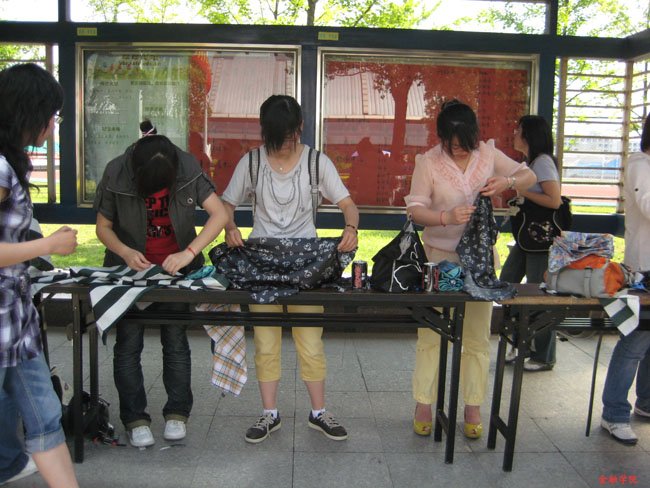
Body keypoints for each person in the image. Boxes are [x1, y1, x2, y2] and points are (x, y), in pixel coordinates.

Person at [221, 94, 359, 444]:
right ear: (265, 131)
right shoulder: (252, 162)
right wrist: (229, 227)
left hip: (306, 264)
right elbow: (226, 203)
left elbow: (347, 203)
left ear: (300, 128)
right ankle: (269, 413)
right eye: (277, 136)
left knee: (310, 340)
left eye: (290, 134)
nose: (285, 142)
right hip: (262, 262)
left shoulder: (316, 161)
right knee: (265, 340)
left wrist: (351, 227)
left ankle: (318, 412)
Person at [405, 100, 536, 439]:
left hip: (479, 261)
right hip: (440, 259)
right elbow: (415, 210)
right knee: (431, 334)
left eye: (463, 142)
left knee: (477, 337)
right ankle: (424, 403)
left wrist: (507, 182)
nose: (458, 149)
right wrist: (444, 217)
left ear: (474, 136)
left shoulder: (488, 154)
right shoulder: (429, 162)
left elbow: (530, 175)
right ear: (441, 137)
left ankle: (473, 406)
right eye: (451, 143)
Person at [94, 120, 228, 447]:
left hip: (175, 272)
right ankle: (135, 419)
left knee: (175, 340)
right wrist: (125, 252)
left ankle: (177, 413)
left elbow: (219, 215)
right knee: (128, 345)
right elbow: (103, 227)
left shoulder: (186, 167)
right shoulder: (117, 171)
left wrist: (188, 253)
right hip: (130, 272)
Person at [0, 63, 80, 488]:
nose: (54, 123)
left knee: (46, 415)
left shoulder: (13, 164)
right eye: (52, 113)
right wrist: (46, 246)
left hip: (16, 319)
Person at [600, 116, 650, 445]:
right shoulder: (640, 164)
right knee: (635, 341)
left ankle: (646, 402)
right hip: (643, 268)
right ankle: (614, 413)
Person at [500, 115, 562, 371]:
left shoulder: (543, 162)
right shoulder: (531, 163)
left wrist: (521, 190)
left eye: (518, 130)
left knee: (539, 294)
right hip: (526, 239)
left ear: (529, 135)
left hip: (540, 240)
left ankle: (543, 355)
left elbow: (555, 200)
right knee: (507, 282)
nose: (514, 133)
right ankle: (520, 343)